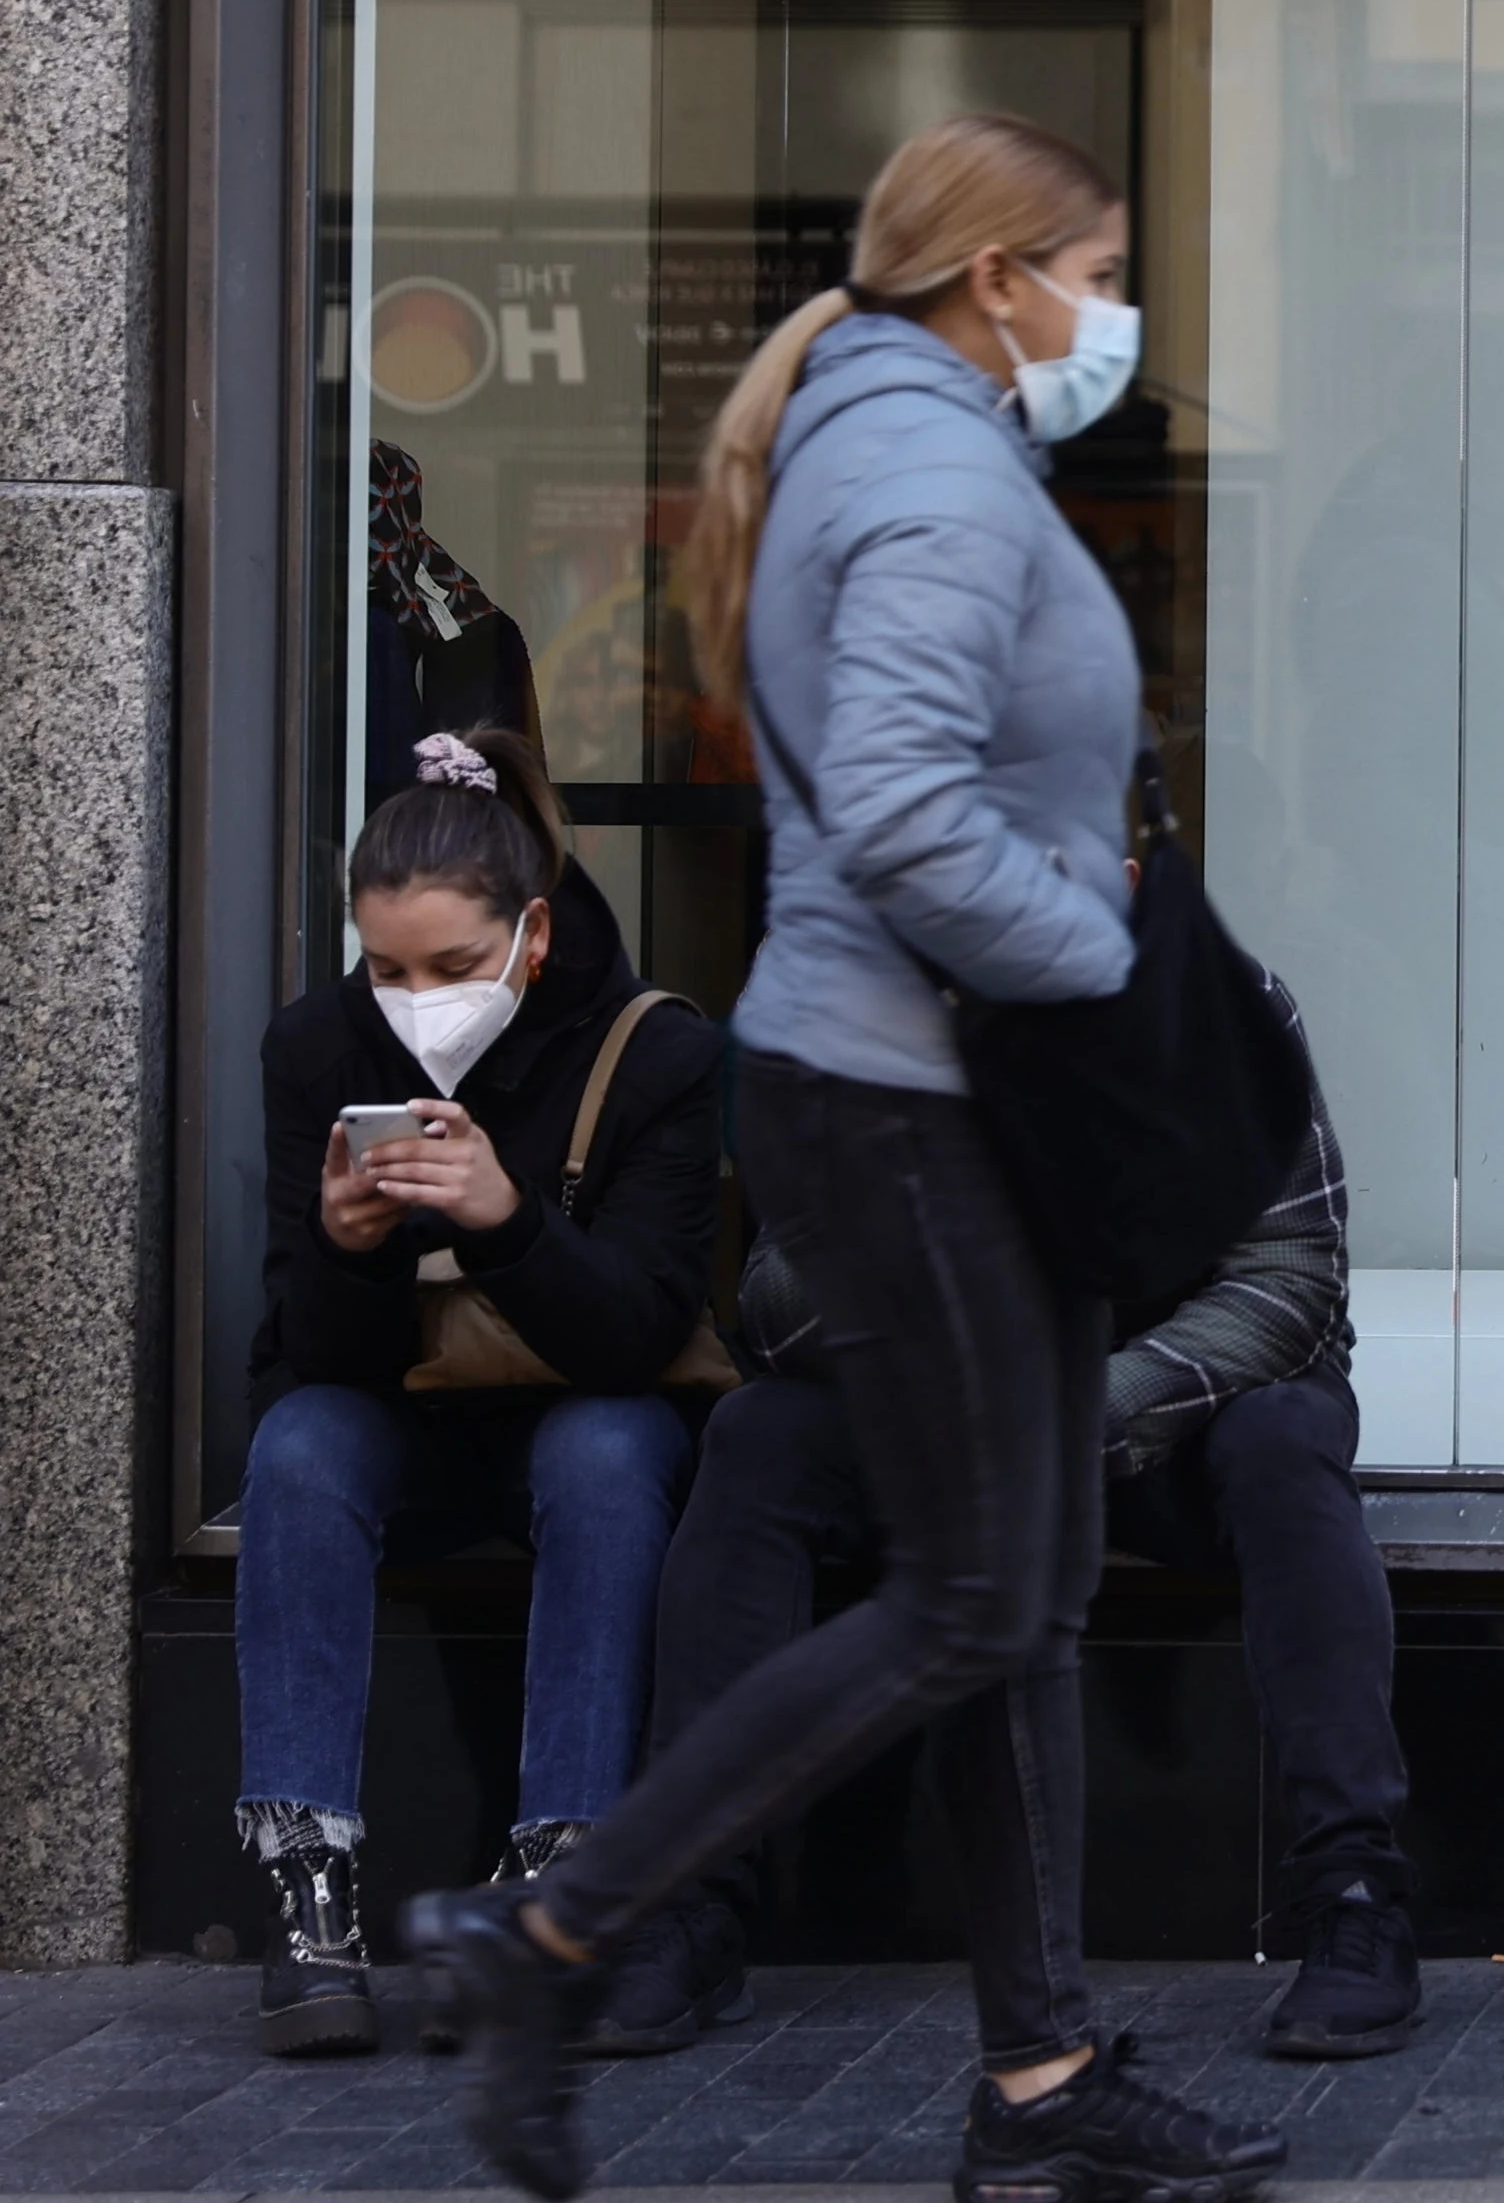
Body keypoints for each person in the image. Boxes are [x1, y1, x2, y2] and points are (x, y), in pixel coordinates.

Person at [408, 113, 1286, 2203]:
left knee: (1021, 1597)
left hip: (935, 1090)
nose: (1116, 311)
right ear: (1001, 278)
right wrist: (1095, 966)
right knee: (981, 1589)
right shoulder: (921, 473)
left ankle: (1044, 2078)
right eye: (1101, 263)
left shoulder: (895, 445)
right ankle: (552, 1929)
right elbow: (897, 810)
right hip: (913, 1096)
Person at [579, 965, 1415, 2064]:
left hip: (1173, 1415)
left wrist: (1099, 1402)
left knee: (1286, 1443)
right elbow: (776, 1302)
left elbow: (1287, 1272)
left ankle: (1354, 1889)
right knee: (761, 1439)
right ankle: (691, 1903)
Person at [238, 727, 722, 2057]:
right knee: (298, 1443)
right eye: (386, 968)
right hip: (407, 1421)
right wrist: (345, 1245)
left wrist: (508, 1219)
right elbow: (312, 1357)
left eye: (453, 967)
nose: (415, 998)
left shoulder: (655, 1053)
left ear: (533, 936)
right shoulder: (317, 1049)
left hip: (589, 1416)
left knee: (609, 1450)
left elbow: (641, 1331)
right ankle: (308, 1892)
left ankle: (558, 1888)